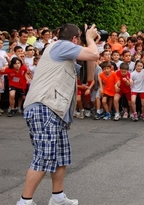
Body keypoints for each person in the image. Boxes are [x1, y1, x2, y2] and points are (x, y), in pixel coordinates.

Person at [17, 23, 99, 205]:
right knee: (43, 156)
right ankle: (24, 201)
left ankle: (58, 197)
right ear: (75, 40)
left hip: (56, 112)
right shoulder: (59, 45)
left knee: (61, 156)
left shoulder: (66, 57)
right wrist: (90, 40)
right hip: (45, 107)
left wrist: (90, 46)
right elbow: (93, 53)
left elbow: (88, 77)